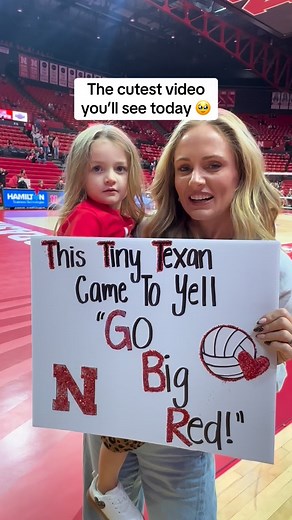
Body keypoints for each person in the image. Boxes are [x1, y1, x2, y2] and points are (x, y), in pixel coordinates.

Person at [83, 110, 292, 520]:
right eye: (184, 168)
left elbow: (263, 383)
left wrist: (280, 352)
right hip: (113, 411)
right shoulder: (143, 236)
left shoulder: (273, 269)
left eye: (212, 165)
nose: (195, 180)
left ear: (241, 172)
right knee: (102, 510)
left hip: (185, 433)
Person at [56, 124, 146, 520]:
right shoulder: (87, 220)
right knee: (119, 423)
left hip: (117, 337)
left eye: (120, 169)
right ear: (80, 174)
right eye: (98, 169)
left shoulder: (114, 216)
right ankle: (105, 489)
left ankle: (108, 488)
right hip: (103, 343)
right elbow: (82, 290)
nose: (111, 177)